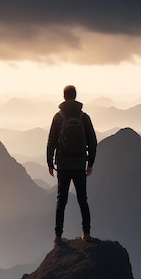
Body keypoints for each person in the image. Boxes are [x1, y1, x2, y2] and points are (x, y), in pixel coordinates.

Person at [47, 85, 97, 244]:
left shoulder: (58, 117)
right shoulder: (84, 117)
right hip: (79, 164)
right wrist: (90, 163)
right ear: (75, 96)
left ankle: (58, 236)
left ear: (64, 97)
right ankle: (86, 233)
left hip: (63, 165)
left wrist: (50, 162)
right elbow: (92, 141)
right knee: (83, 199)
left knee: (61, 201)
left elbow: (51, 142)